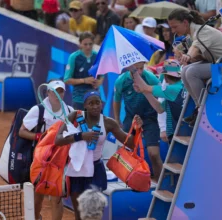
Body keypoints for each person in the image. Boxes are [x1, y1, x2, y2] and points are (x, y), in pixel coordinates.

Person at [55, 91, 143, 220]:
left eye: (97, 102)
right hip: (76, 170)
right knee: (79, 213)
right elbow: (58, 140)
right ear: (85, 105)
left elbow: (130, 143)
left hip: (95, 171)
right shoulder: (75, 116)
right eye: (91, 103)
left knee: (93, 213)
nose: (95, 106)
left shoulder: (108, 122)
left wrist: (136, 129)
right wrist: (81, 136)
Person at [168, 9, 222, 127]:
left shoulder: (202, 31)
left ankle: (204, 111)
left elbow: (195, 48)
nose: (173, 31)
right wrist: (186, 57)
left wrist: (187, 56)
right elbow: (201, 57)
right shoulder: (192, 34)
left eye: (175, 27)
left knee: (192, 72)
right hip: (220, 63)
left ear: (185, 23)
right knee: (185, 70)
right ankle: (199, 108)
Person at [19, 79, 74, 220]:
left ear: (64, 93)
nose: (57, 94)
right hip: (40, 160)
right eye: (54, 91)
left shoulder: (69, 111)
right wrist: (40, 137)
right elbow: (22, 131)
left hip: (60, 161)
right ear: (48, 92)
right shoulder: (38, 110)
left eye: (60, 91)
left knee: (56, 199)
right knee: (38, 197)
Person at [113, 61, 163, 182]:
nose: (139, 72)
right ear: (130, 67)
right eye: (137, 69)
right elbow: (117, 100)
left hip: (150, 118)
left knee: (154, 154)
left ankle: (159, 181)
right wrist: (116, 119)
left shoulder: (150, 78)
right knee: (124, 151)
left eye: (142, 68)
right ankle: (125, 178)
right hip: (131, 118)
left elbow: (162, 96)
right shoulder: (121, 81)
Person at [133, 60, 185, 143]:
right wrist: (143, 91)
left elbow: (144, 87)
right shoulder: (179, 87)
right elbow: (160, 109)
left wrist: (133, 70)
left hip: (180, 131)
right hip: (179, 131)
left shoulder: (172, 89)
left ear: (165, 77)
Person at [64, 32, 104, 110]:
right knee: (80, 122)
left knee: (96, 122)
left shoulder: (97, 56)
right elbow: (67, 79)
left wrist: (99, 82)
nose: (88, 47)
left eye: (90, 44)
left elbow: (102, 75)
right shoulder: (74, 57)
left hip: (95, 99)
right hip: (79, 99)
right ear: (80, 44)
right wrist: (84, 80)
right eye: (85, 44)